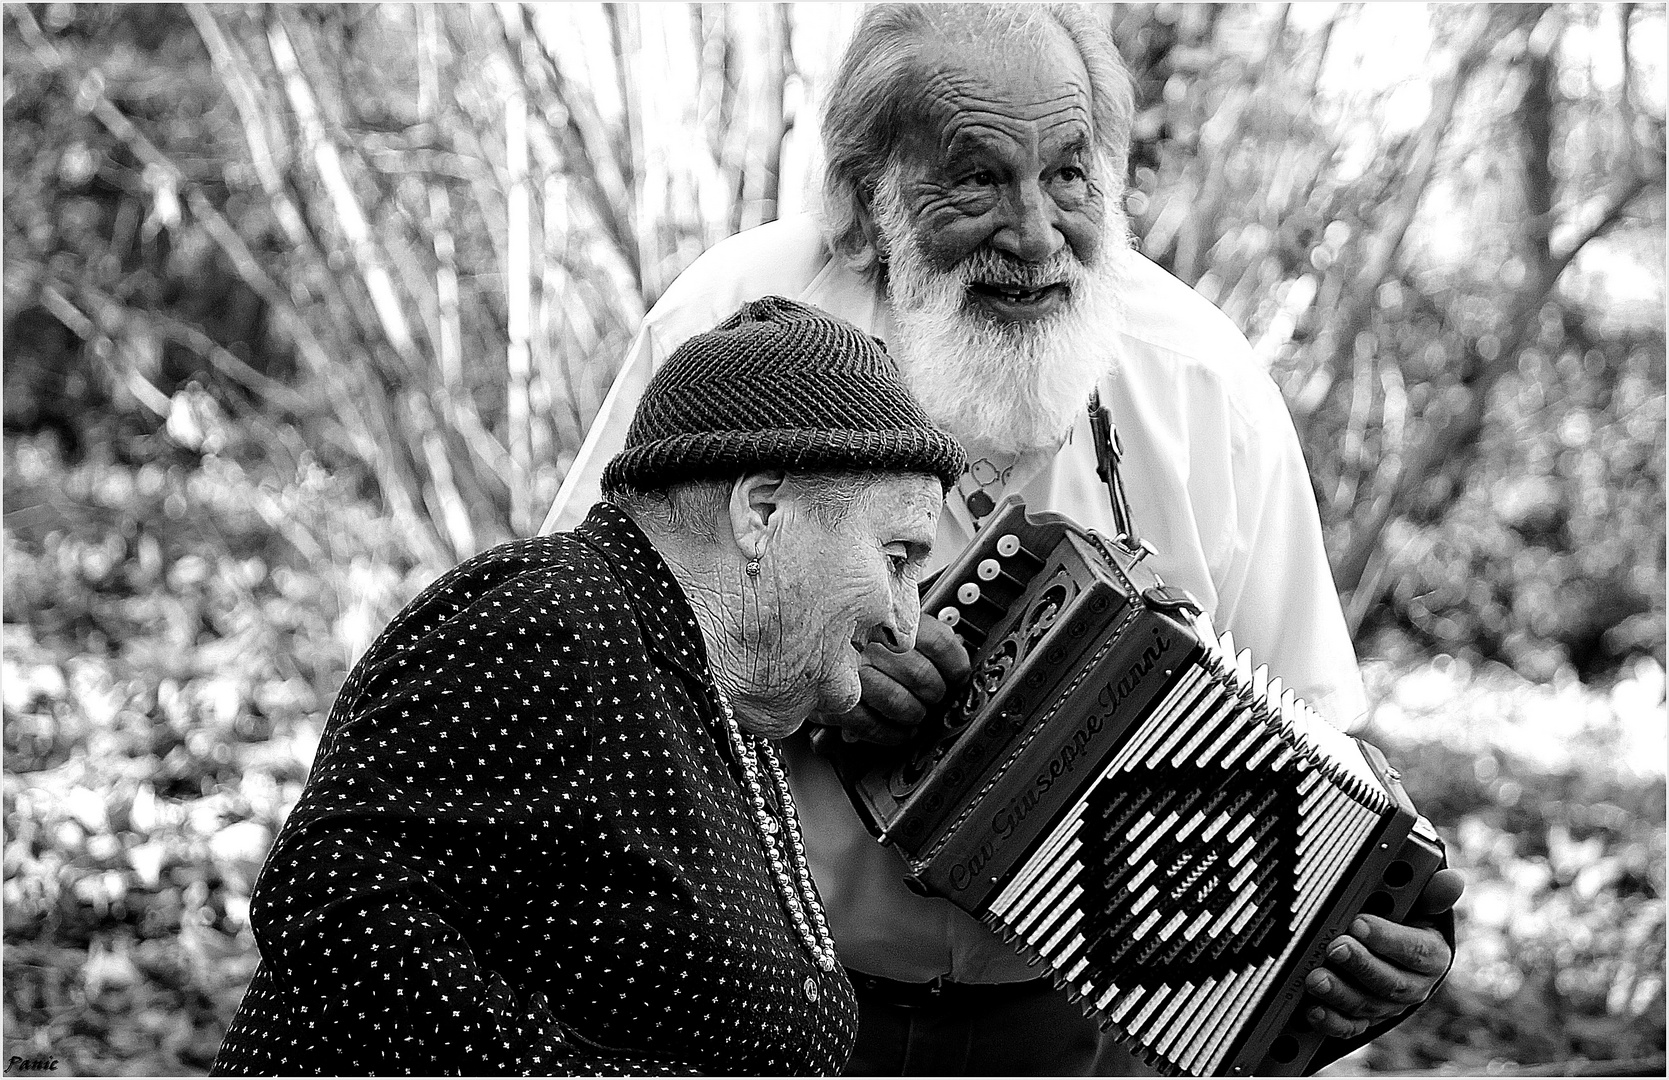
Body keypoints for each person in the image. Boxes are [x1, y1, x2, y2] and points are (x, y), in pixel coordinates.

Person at [542, 5, 1463, 1075]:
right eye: (975, 179)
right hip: (740, 1015)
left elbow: (1318, 745)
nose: (1034, 234)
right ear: (863, 194)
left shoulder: (1204, 385)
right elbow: (570, 673)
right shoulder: (726, 323)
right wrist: (792, 688)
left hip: (1079, 1044)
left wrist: (1382, 922)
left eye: (1069, 175)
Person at [211, 297, 968, 1076]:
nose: (906, 624)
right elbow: (331, 899)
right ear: (762, 511)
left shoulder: (717, 696)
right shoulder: (554, 618)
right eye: (896, 556)